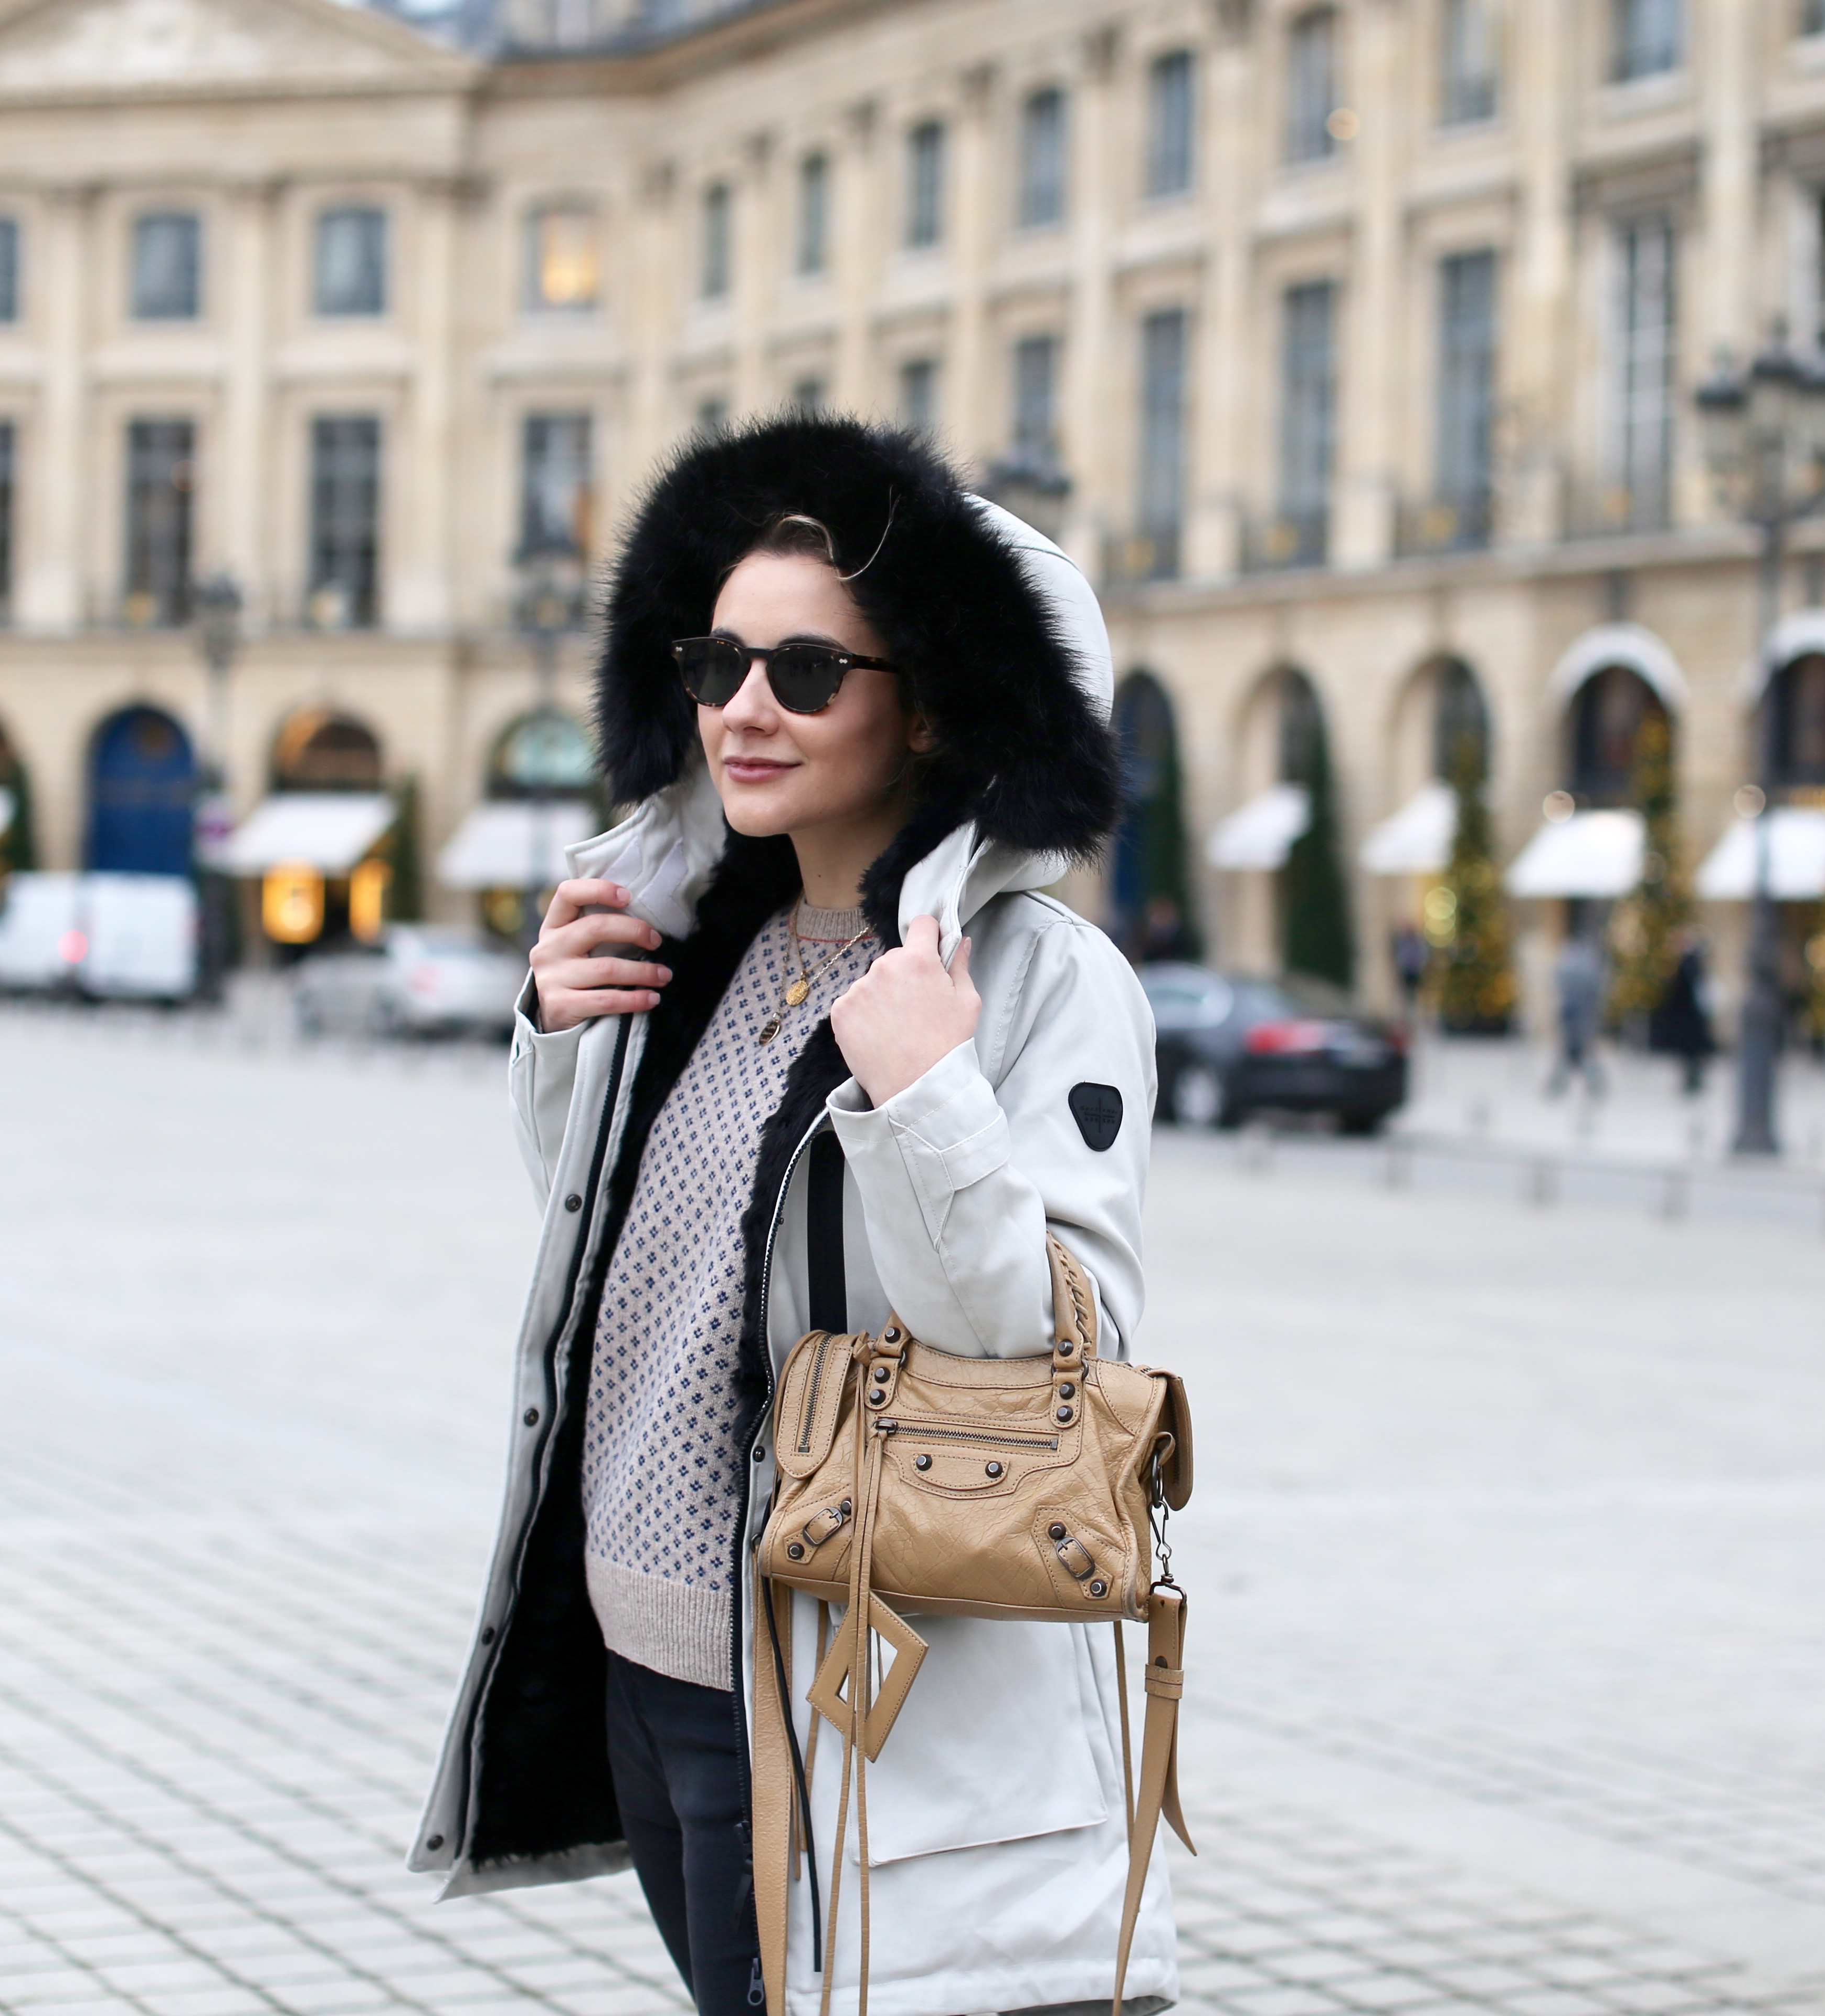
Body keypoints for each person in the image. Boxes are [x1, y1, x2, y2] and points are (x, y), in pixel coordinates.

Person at [411, 417, 1173, 2016]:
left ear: (930, 707)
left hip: (839, 1674)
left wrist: (928, 1102)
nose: (744, 709)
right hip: (650, 1655)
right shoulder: (700, 939)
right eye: (718, 661)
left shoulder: (1036, 979)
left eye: (808, 672)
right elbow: (630, 1251)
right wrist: (561, 1034)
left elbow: (1057, 1347)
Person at [1647, 929, 1717, 1097]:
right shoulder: (1692, 963)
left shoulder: (1690, 963)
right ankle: (1692, 1079)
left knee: (1689, 1051)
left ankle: (1693, 1079)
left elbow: (1685, 991)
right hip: (1689, 1018)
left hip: (1688, 1018)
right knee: (1689, 1052)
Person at [1549, 927, 1607, 1100]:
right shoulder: (1588, 968)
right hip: (1579, 1020)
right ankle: (1589, 1084)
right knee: (1577, 1055)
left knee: (1576, 1055)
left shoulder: (1571, 967)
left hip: (1577, 1020)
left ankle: (1564, 1085)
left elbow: (1559, 981)